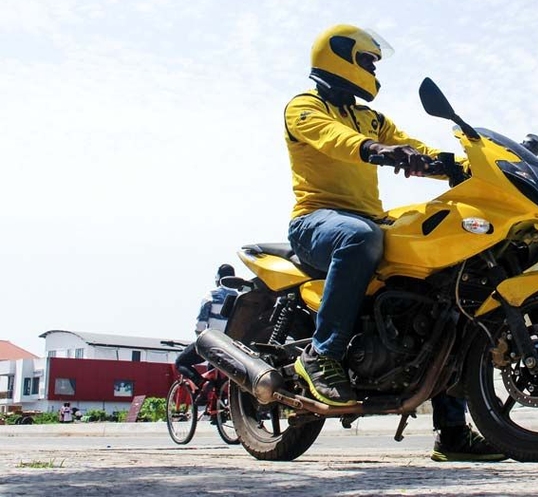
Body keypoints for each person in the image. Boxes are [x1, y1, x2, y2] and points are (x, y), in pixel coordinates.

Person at [284, 24, 504, 462]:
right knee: (359, 237)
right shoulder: (304, 107)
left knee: (447, 278)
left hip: (369, 217)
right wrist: (377, 151)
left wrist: (461, 166)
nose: (372, 70)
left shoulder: (371, 118)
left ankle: (453, 431)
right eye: (368, 61)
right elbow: (338, 140)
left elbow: (410, 145)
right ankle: (321, 355)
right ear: (340, 55)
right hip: (316, 221)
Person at [174, 264, 238, 396]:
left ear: (218, 278)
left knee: (180, 362)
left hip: (212, 343)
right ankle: (215, 411)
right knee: (216, 371)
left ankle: (201, 383)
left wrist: (199, 341)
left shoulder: (211, 296)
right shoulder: (240, 298)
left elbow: (200, 325)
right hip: (232, 347)